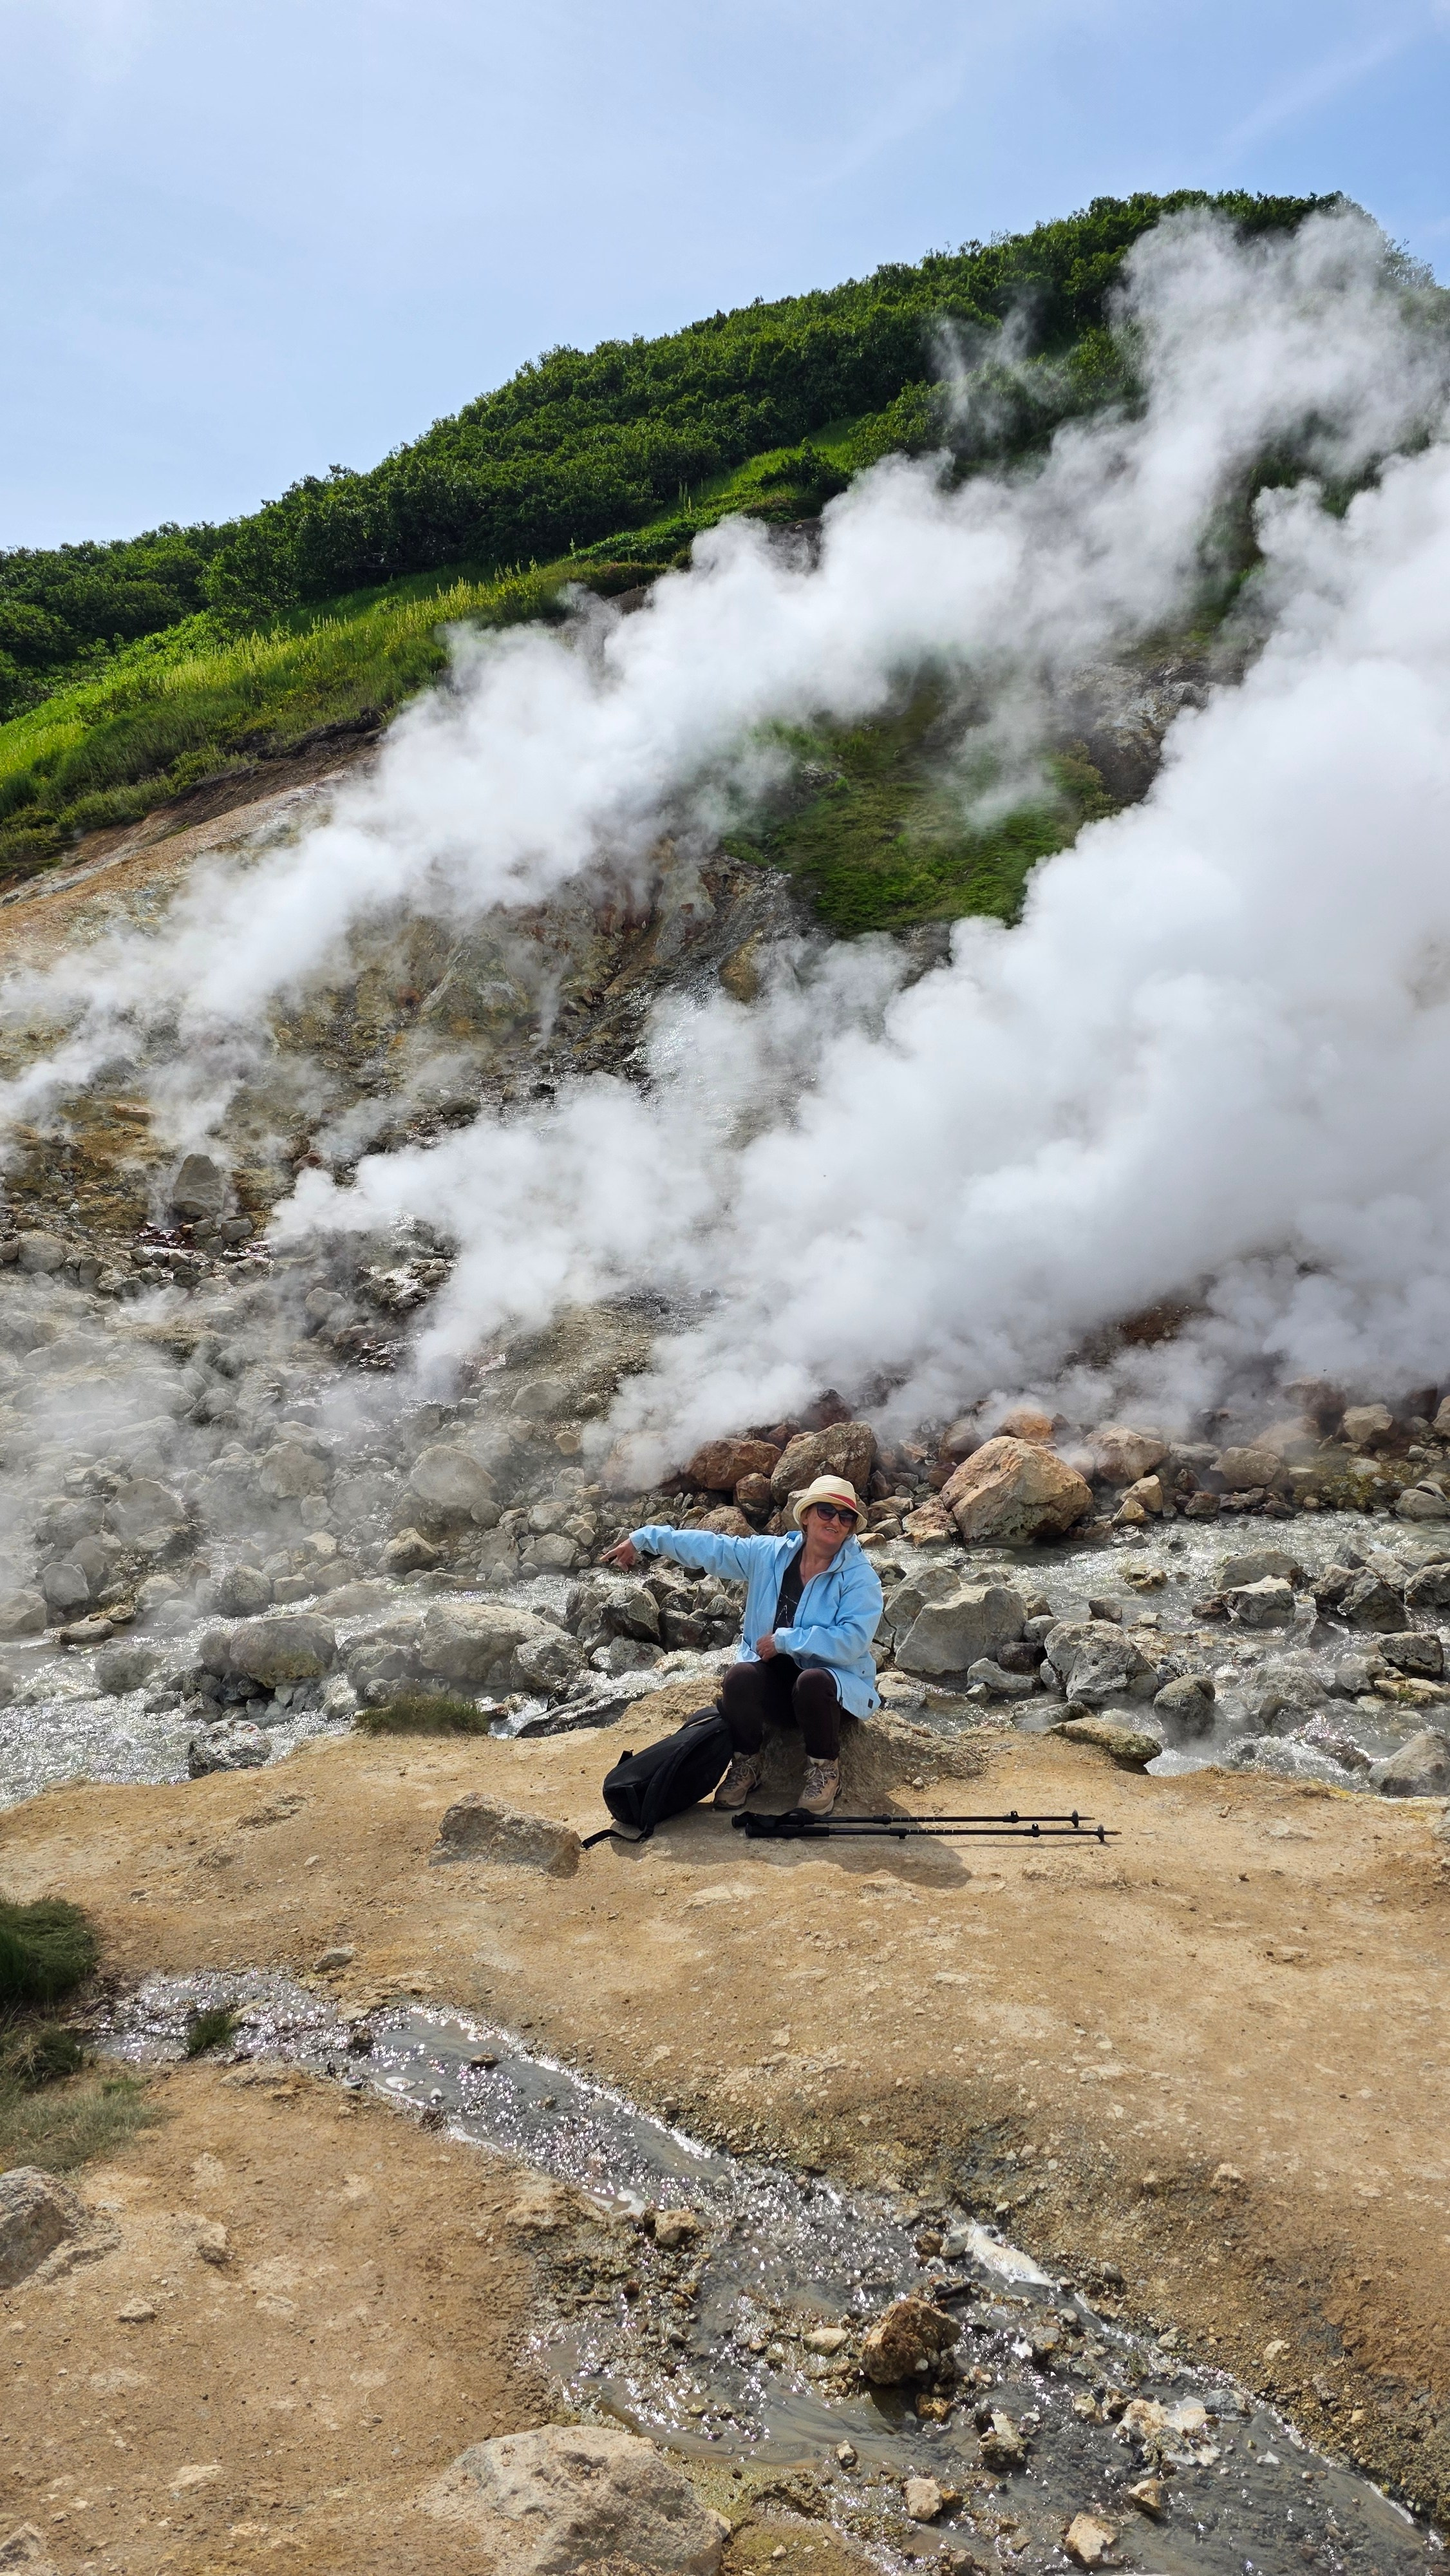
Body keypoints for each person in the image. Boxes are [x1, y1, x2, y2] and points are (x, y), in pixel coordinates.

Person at [600, 1473, 883, 1816]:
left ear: (851, 1527)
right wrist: (644, 1538)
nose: (835, 1521)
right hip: (781, 1693)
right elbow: (712, 1548)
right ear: (806, 1516)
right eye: (826, 1511)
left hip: (832, 1697)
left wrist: (786, 1640)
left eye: (845, 1516)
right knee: (739, 1677)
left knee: (813, 1681)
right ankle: (747, 1763)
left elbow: (854, 1640)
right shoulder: (769, 1554)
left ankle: (825, 1770)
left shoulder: (859, 1576)